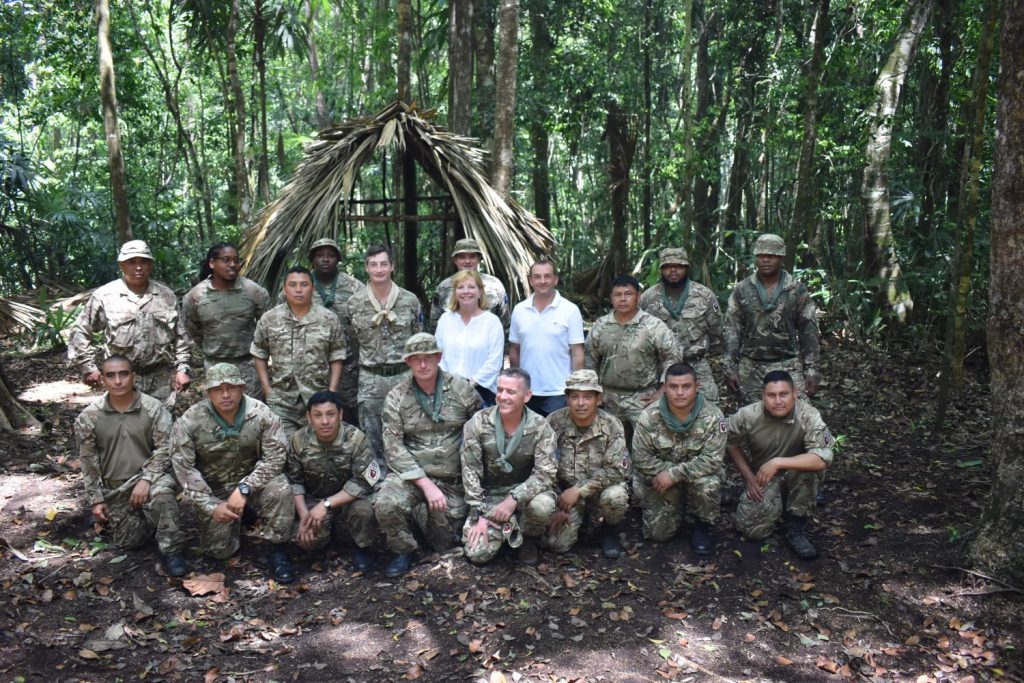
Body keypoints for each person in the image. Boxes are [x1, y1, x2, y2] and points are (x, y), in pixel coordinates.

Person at [170, 363, 296, 583]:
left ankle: (278, 549)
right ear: (209, 392)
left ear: (242, 388)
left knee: (281, 489)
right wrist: (211, 505)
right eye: (218, 389)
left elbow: (275, 458)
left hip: (254, 483)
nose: (226, 395)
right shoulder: (190, 420)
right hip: (215, 488)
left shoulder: (261, 413)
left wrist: (245, 488)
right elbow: (184, 469)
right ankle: (242, 515)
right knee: (219, 551)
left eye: (232, 388)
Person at [375, 333, 482, 578]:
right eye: (416, 359)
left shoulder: (461, 390)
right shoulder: (397, 396)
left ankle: (423, 515)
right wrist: (424, 484)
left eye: (428, 358)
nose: (423, 365)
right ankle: (404, 550)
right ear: (408, 362)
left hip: (452, 480)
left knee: (444, 543)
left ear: (438, 357)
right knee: (386, 503)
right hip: (412, 478)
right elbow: (392, 446)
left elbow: (480, 429)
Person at [74, 355, 188, 576]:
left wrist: (147, 479)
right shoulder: (89, 416)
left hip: (150, 479)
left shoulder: (154, 408)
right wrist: (96, 499)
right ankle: (149, 519)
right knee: (129, 542)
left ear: (133, 377)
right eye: (111, 375)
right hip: (117, 489)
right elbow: (88, 460)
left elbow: (166, 449)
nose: (118, 381)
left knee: (162, 495)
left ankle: (172, 550)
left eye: (124, 374)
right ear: (103, 380)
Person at [67, 239, 191, 406]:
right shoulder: (106, 296)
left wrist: (183, 369)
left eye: (144, 262)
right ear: (121, 265)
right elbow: (80, 331)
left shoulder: (166, 296)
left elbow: (181, 336)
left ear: (151, 264)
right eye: (131, 262)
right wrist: (88, 367)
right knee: (122, 427)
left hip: (159, 379)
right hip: (120, 380)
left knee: (161, 427)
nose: (138, 267)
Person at [726, 370, 834, 559]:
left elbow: (823, 457)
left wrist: (777, 462)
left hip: (797, 473)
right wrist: (748, 477)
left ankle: (796, 527)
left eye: (783, 394)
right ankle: (778, 500)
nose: (778, 401)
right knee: (752, 531)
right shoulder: (748, 415)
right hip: (764, 476)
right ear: (763, 396)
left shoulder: (808, 415)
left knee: (807, 472)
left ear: (794, 393)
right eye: (771, 395)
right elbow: (729, 441)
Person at [461, 368, 557, 566]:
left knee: (543, 507)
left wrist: (514, 499)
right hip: (491, 497)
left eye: (511, 392)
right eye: (500, 390)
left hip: (526, 497)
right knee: (477, 554)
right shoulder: (478, 422)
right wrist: (480, 513)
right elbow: (470, 472)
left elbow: (545, 473)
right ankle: (505, 530)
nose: (502, 397)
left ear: (527, 396)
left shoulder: (540, 426)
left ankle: (528, 539)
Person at [632, 363, 726, 556]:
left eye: (686, 386)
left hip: (697, 478)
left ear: (697, 386)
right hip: (661, 481)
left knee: (708, 484)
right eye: (673, 387)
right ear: (665, 388)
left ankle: (702, 524)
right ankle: (675, 506)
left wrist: (674, 474)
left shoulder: (713, 416)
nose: (680, 392)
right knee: (658, 534)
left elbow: (713, 459)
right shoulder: (649, 416)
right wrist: (667, 476)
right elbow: (641, 458)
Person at [286, 390, 382, 572]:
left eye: (330, 414)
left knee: (364, 511)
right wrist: (304, 515)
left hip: (348, 500)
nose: (324, 421)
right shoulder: (298, 440)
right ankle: (326, 542)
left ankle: (361, 547)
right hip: (313, 499)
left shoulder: (356, 438)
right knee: (308, 541)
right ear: (308, 417)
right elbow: (293, 480)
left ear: (340, 414)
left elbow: (364, 481)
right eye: (318, 415)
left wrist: (326, 505)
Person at [542, 370, 630, 558]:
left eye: (588, 397)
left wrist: (579, 491)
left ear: (598, 399)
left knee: (616, 496)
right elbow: (543, 466)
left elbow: (616, 471)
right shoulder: (553, 422)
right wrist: (558, 502)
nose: (581, 403)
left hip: (599, 492)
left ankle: (609, 530)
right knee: (557, 545)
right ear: (567, 399)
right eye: (575, 397)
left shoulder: (612, 425)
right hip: (565, 495)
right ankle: (581, 524)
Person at [345, 245, 424, 458]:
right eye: (373, 265)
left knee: (408, 427)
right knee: (372, 433)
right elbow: (352, 344)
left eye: (383, 264)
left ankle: (407, 476)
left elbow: (418, 340)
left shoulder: (409, 301)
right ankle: (378, 480)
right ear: (366, 269)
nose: (379, 269)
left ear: (392, 267)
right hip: (370, 378)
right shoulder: (354, 303)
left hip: (403, 376)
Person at [724, 233, 820, 403]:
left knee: (799, 417)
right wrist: (730, 367)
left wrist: (811, 369)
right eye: (761, 256)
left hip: (788, 363)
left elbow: (809, 331)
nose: (765, 260)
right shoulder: (742, 289)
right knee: (750, 421)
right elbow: (732, 330)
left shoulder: (796, 290)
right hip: (751, 366)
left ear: (781, 257)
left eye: (771, 256)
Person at [251, 266, 347, 436]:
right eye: (292, 285)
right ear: (284, 288)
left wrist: (331, 392)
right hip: (282, 400)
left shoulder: (328, 319)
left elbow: (337, 356)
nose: (298, 290)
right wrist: (268, 390)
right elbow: (259, 354)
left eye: (304, 285)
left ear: (313, 288)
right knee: (283, 450)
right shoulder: (270, 319)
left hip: (318, 400)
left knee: (316, 453)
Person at [585, 274, 680, 440]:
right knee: (611, 445)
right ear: (611, 298)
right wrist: (594, 393)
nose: (623, 299)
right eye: (617, 295)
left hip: (643, 398)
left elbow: (672, 357)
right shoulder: (601, 326)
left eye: (628, 294)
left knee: (647, 444)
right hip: (609, 399)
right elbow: (590, 361)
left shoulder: (652, 325)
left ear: (638, 296)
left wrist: (662, 391)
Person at [182, 242, 270, 398]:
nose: (233, 265)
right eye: (226, 260)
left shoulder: (254, 291)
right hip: (215, 366)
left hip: (248, 366)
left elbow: (266, 326)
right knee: (219, 414)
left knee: (252, 414)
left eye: (236, 260)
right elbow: (193, 329)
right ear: (212, 263)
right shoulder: (195, 296)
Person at [639, 247, 724, 402]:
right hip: (659, 367)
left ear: (686, 268)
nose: (673, 270)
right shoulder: (648, 298)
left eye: (678, 266)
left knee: (710, 407)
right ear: (661, 269)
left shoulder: (704, 296)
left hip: (696, 364)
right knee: (653, 409)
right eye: (668, 266)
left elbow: (716, 333)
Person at [508, 259, 585, 416]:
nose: (542, 281)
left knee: (558, 438)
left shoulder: (570, 310)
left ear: (555, 279)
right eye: (537, 277)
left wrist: (576, 389)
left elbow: (577, 352)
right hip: (527, 391)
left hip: (559, 391)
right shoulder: (519, 310)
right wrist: (516, 383)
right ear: (530, 280)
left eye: (547, 276)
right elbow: (515, 350)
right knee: (527, 437)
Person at [305, 238, 364, 424]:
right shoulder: (301, 284)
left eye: (330, 255)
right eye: (320, 255)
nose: (325, 259)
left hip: (349, 364)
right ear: (312, 259)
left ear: (337, 259)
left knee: (349, 411)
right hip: (312, 364)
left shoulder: (354, 286)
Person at [434, 270, 504, 405]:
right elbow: (437, 355)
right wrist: (450, 384)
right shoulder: (445, 319)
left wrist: (469, 385)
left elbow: (494, 361)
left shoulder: (492, 322)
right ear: (455, 292)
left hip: (482, 391)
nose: (466, 291)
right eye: (460, 287)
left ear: (480, 292)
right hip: (447, 390)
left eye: (471, 287)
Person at [427, 238, 509, 334]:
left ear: (479, 259)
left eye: (472, 256)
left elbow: (505, 324)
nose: (467, 261)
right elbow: (435, 326)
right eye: (462, 257)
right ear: (455, 260)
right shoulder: (443, 287)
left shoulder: (495, 285)